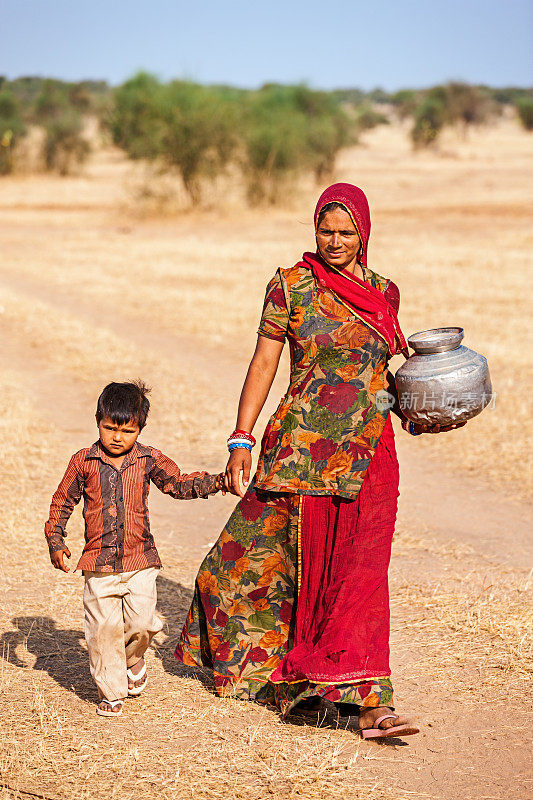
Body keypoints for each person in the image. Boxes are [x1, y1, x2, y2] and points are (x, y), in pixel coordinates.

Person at [175, 183, 461, 739]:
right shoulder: (290, 286)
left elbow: (386, 376)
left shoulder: (384, 292)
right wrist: (241, 437)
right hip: (301, 450)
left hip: (369, 453)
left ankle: (371, 700)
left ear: (365, 234)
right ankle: (293, 678)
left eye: (346, 232)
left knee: (361, 572)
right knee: (249, 562)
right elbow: (263, 362)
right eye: (326, 230)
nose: (334, 241)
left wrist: (429, 403)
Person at [44, 380, 224, 717]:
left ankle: (132, 658)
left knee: (142, 624)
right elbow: (61, 502)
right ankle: (111, 692)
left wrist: (217, 482)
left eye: (127, 430)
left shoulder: (147, 458)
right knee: (101, 631)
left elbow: (178, 483)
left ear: (140, 427)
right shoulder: (82, 461)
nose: (116, 437)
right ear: (97, 420)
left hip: (140, 560)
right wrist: (56, 540)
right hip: (98, 565)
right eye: (109, 427)